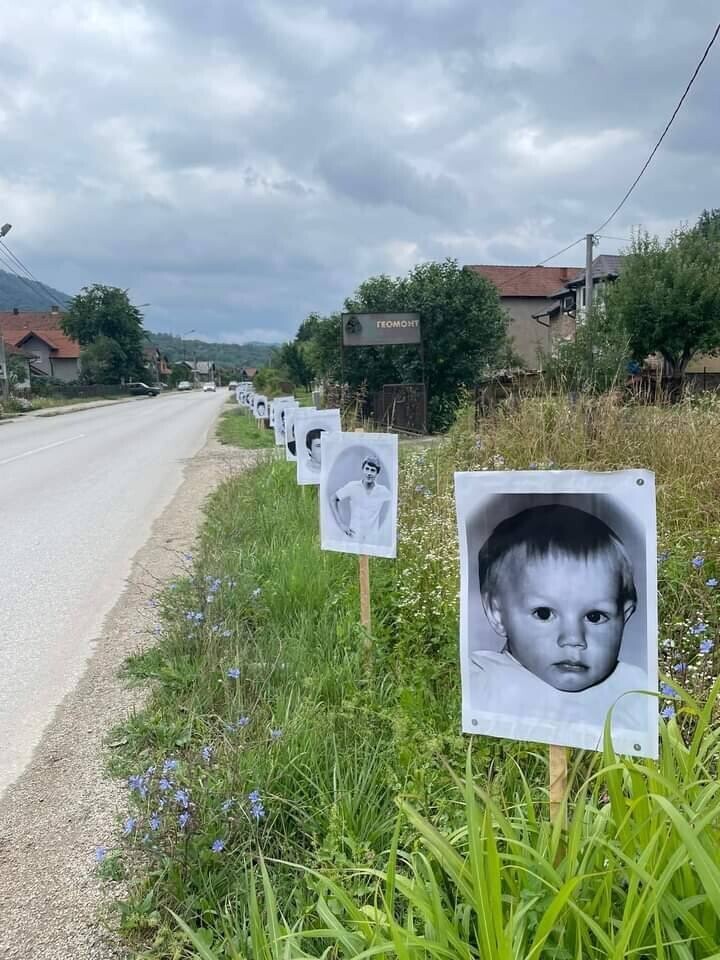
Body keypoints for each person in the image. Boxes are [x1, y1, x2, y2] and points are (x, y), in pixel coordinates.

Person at [470, 504, 648, 732]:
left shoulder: (635, 691)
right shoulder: (484, 680)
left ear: (624, 616)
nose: (573, 639)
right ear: (497, 613)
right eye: (544, 613)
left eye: (594, 617)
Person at [330, 456, 391, 542]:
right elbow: (333, 498)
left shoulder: (383, 490)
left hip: (373, 539)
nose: (369, 473)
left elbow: (396, 503)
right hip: (354, 536)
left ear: (377, 473)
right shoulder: (352, 486)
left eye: (373, 470)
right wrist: (341, 524)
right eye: (367, 469)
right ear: (363, 469)